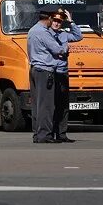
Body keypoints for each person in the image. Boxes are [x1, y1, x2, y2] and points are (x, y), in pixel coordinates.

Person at [27, 9, 69, 144]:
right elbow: (57, 49)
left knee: (37, 104)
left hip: (35, 68)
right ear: (49, 18)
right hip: (45, 70)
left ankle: (37, 134)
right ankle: (44, 135)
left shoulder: (33, 30)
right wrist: (65, 49)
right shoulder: (43, 32)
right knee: (46, 105)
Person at [49, 9, 84, 143]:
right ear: (51, 20)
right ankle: (50, 133)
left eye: (59, 21)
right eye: (55, 21)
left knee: (63, 105)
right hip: (52, 72)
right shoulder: (46, 35)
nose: (57, 24)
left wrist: (71, 21)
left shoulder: (64, 35)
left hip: (63, 72)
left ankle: (62, 133)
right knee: (51, 105)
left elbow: (79, 36)